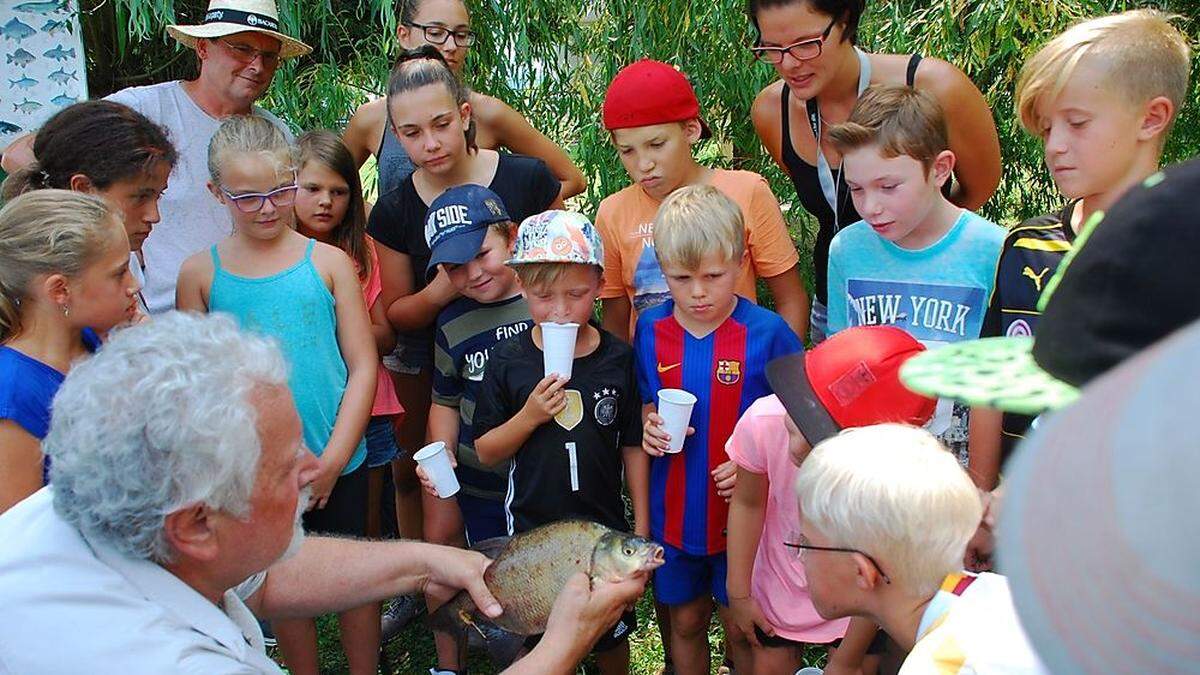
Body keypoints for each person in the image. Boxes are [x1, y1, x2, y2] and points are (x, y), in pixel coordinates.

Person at [0, 311, 652, 674]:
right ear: (198, 522)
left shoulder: (85, 510)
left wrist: (430, 559)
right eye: (287, 466)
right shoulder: (164, 661)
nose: (316, 466)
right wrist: (564, 645)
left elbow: (258, 573)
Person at [174, 116, 378, 675]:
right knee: (283, 581)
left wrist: (335, 459)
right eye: (247, 197)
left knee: (357, 577)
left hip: (338, 456)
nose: (267, 208)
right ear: (217, 193)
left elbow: (362, 366)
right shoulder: (200, 275)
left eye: (279, 192)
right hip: (255, 471)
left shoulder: (330, 264)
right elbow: (197, 386)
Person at [967, 9, 1191, 492]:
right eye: (1048, 129)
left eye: (1078, 123)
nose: (1055, 147)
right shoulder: (1026, 244)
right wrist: (980, 499)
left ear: (1152, 118)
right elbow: (993, 382)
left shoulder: (1183, 256)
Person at [368, 46, 560, 555]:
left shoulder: (526, 178)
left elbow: (562, 260)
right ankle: (444, 589)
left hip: (530, 354)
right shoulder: (394, 210)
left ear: (465, 116)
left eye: (441, 124)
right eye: (411, 133)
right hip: (441, 364)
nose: (430, 143)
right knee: (443, 487)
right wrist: (449, 282)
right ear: (394, 135)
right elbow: (398, 313)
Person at [2, 0, 310, 315]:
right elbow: (19, 154)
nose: (256, 66)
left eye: (269, 56)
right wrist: (103, 228)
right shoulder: (143, 108)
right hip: (154, 315)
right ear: (203, 48)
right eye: (241, 49)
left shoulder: (274, 130)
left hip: (251, 309)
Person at [746, 0, 1000, 343]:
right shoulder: (770, 110)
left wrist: (915, 250)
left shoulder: (936, 86)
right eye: (772, 49)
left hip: (940, 303)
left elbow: (978, 188)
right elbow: (827, 198)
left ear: (846, 20)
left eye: (806, 44)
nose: (789, 63)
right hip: (846, 300)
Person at [635, 185, 803, 674]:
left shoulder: (768, 334)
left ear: (741, 262)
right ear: (661, 270)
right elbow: (648, 401)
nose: (698, 291)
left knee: (742, 626)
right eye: (680, 278)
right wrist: (650, 426)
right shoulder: (651, 329)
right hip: (677, 513)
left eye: (712, 275)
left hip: (748, 521)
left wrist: (756, 464)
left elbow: (804, 420)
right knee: (685, 622)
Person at [473, 210, 648, 675]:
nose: (560, 310)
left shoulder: (617, 358)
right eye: (542, 295)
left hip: (603, 527)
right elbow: (487, 451)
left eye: (576, 294)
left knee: (610, 640)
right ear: (522, 287)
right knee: (546, 644)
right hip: (532, 534)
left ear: (599, 283)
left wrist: (642, 530)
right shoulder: (509, 361)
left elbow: (632, 447)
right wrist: (529, 416)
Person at [725, 325, 937, 674]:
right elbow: (748, 503)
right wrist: (740, 594)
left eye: (815, 438)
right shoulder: (764, 421)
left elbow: (880, 577)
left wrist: (846, 660)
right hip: (781, 579)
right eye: (797, 420)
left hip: (862, 598)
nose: (794, 447)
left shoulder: (888, 482)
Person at [824, 85, 1003, 461]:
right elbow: (837, 369)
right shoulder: (847, 250)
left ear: (940, 169)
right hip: (869, 466)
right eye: (856, 189)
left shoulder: (993, 251)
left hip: (956, 471)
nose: (870, 207)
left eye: (888, 187)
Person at [793, 424, 1047, 674]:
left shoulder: (940, 668)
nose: (802, 558)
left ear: (863, 572)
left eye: (806, 544)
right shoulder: (1004, 594)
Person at [290, 129, 405, 670]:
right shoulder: (276, 259)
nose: (325, 202)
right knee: (295, 539)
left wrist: (347, 326)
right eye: (312, 188)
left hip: (371, 408)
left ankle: (366, 638)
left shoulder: (360, 252)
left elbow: (384, 334)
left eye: (338, 191)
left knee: (363, 532)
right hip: (301, 416)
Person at [597, 59, 808, 342]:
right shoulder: (613, 213)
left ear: (691, 130)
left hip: (739, 372)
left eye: (656, 145)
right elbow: (615, 320)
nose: (643, 164)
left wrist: (777, 371)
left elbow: (790, 299)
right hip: (656, 377)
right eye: (627, 151)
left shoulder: (747, 191)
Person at [415, 185, 534, 673]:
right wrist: (437, 459)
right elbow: (445, 401)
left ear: (510, 236)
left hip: (535, 480)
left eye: (482, 254)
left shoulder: (545, 300)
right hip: (479, 485)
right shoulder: (452, 323)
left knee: (533, 582)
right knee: (486, 573)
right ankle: (455, 663)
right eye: (454, 268)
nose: (473, 274)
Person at [342, 0, 586, 201]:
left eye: (461, 35)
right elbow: (330, 187)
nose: (451, 46)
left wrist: (502, 222)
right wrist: (377, 227)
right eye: (436, 33)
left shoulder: (489, 112)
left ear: (464, 116)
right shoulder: (371, 119)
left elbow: (572, 179)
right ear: (403, 35)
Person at [0, 191, 139, 514]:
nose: (134, 285)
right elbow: (19, 538)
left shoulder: (93, 340)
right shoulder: (13, 395)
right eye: (119, 273)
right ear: (60, 290)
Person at [0, 100, 177, 315]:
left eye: (159, 196)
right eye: (140, 197)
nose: (154, 216)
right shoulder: (37, 289)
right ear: (83, 189)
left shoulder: (117, 255)